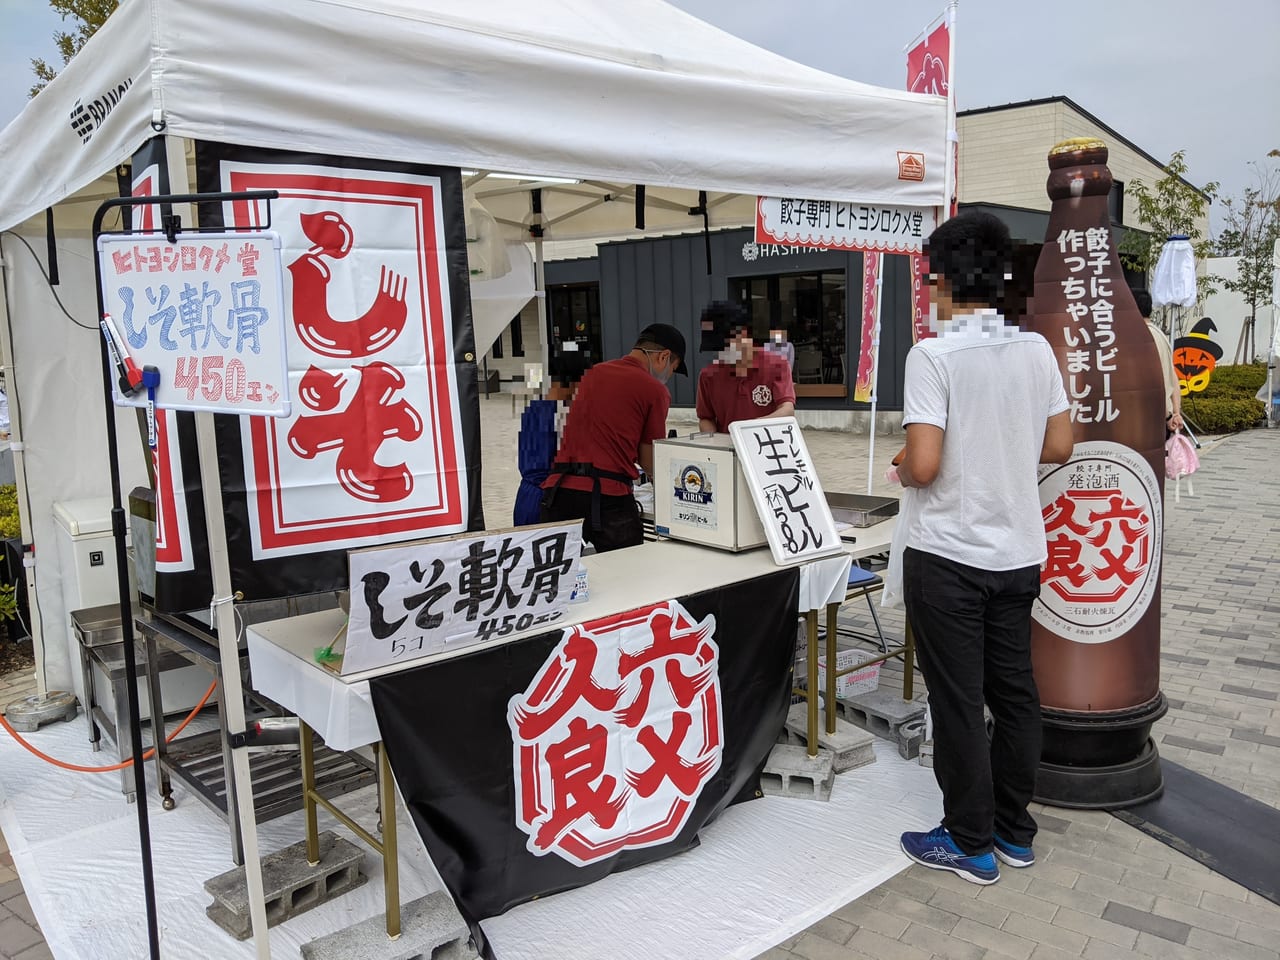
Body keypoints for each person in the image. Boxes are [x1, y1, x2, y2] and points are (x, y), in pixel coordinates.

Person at [892, 211, 1073, 885]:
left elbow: (927, 465)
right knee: (1015, 693)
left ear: (939, 279)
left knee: (960, 701)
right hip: (1019, 551)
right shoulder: (1034, 350)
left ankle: (969, 843)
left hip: (950, 556)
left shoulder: (933, 354)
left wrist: (903, 462)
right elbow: (1058, 446)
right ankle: (1013, 832)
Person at [539, 324, 685, 552]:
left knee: (561, 577)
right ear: (664, 357)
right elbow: (649, 459)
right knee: (628, 575)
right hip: (607, 497)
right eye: (673, 368)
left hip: (559, 491)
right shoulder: (654, 390)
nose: (669, 375)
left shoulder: (591, 374)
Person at [695, 302, 795, 433]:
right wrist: (714, 443)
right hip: (728, 447)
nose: (720, 352)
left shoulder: (776, 365)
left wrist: (750, 430)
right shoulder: (708, 375)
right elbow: (706, 418)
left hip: (768, 445)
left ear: (741, 333)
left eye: (723, 346)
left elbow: (787, 409)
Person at [1134, 289, 1184, 434]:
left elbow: (1153, 380)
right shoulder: (1159, 334)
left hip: (1152, 417)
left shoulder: (1143, 338)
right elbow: (1172, 375)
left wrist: (1169, 415)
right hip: (1164, 416)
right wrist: (1176, 412)